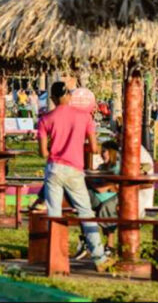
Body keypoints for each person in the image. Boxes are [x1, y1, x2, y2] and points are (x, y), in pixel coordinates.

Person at [37, 82, 112, 272]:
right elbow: (94, 148)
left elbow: (42, 152)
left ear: (53, 99)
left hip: (54, 168)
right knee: (86, 212)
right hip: (74, 170)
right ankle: (99, 258)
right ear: (69, 96)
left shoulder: (46, 119)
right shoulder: (84, 117)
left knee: (54, 213)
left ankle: (52, 257)